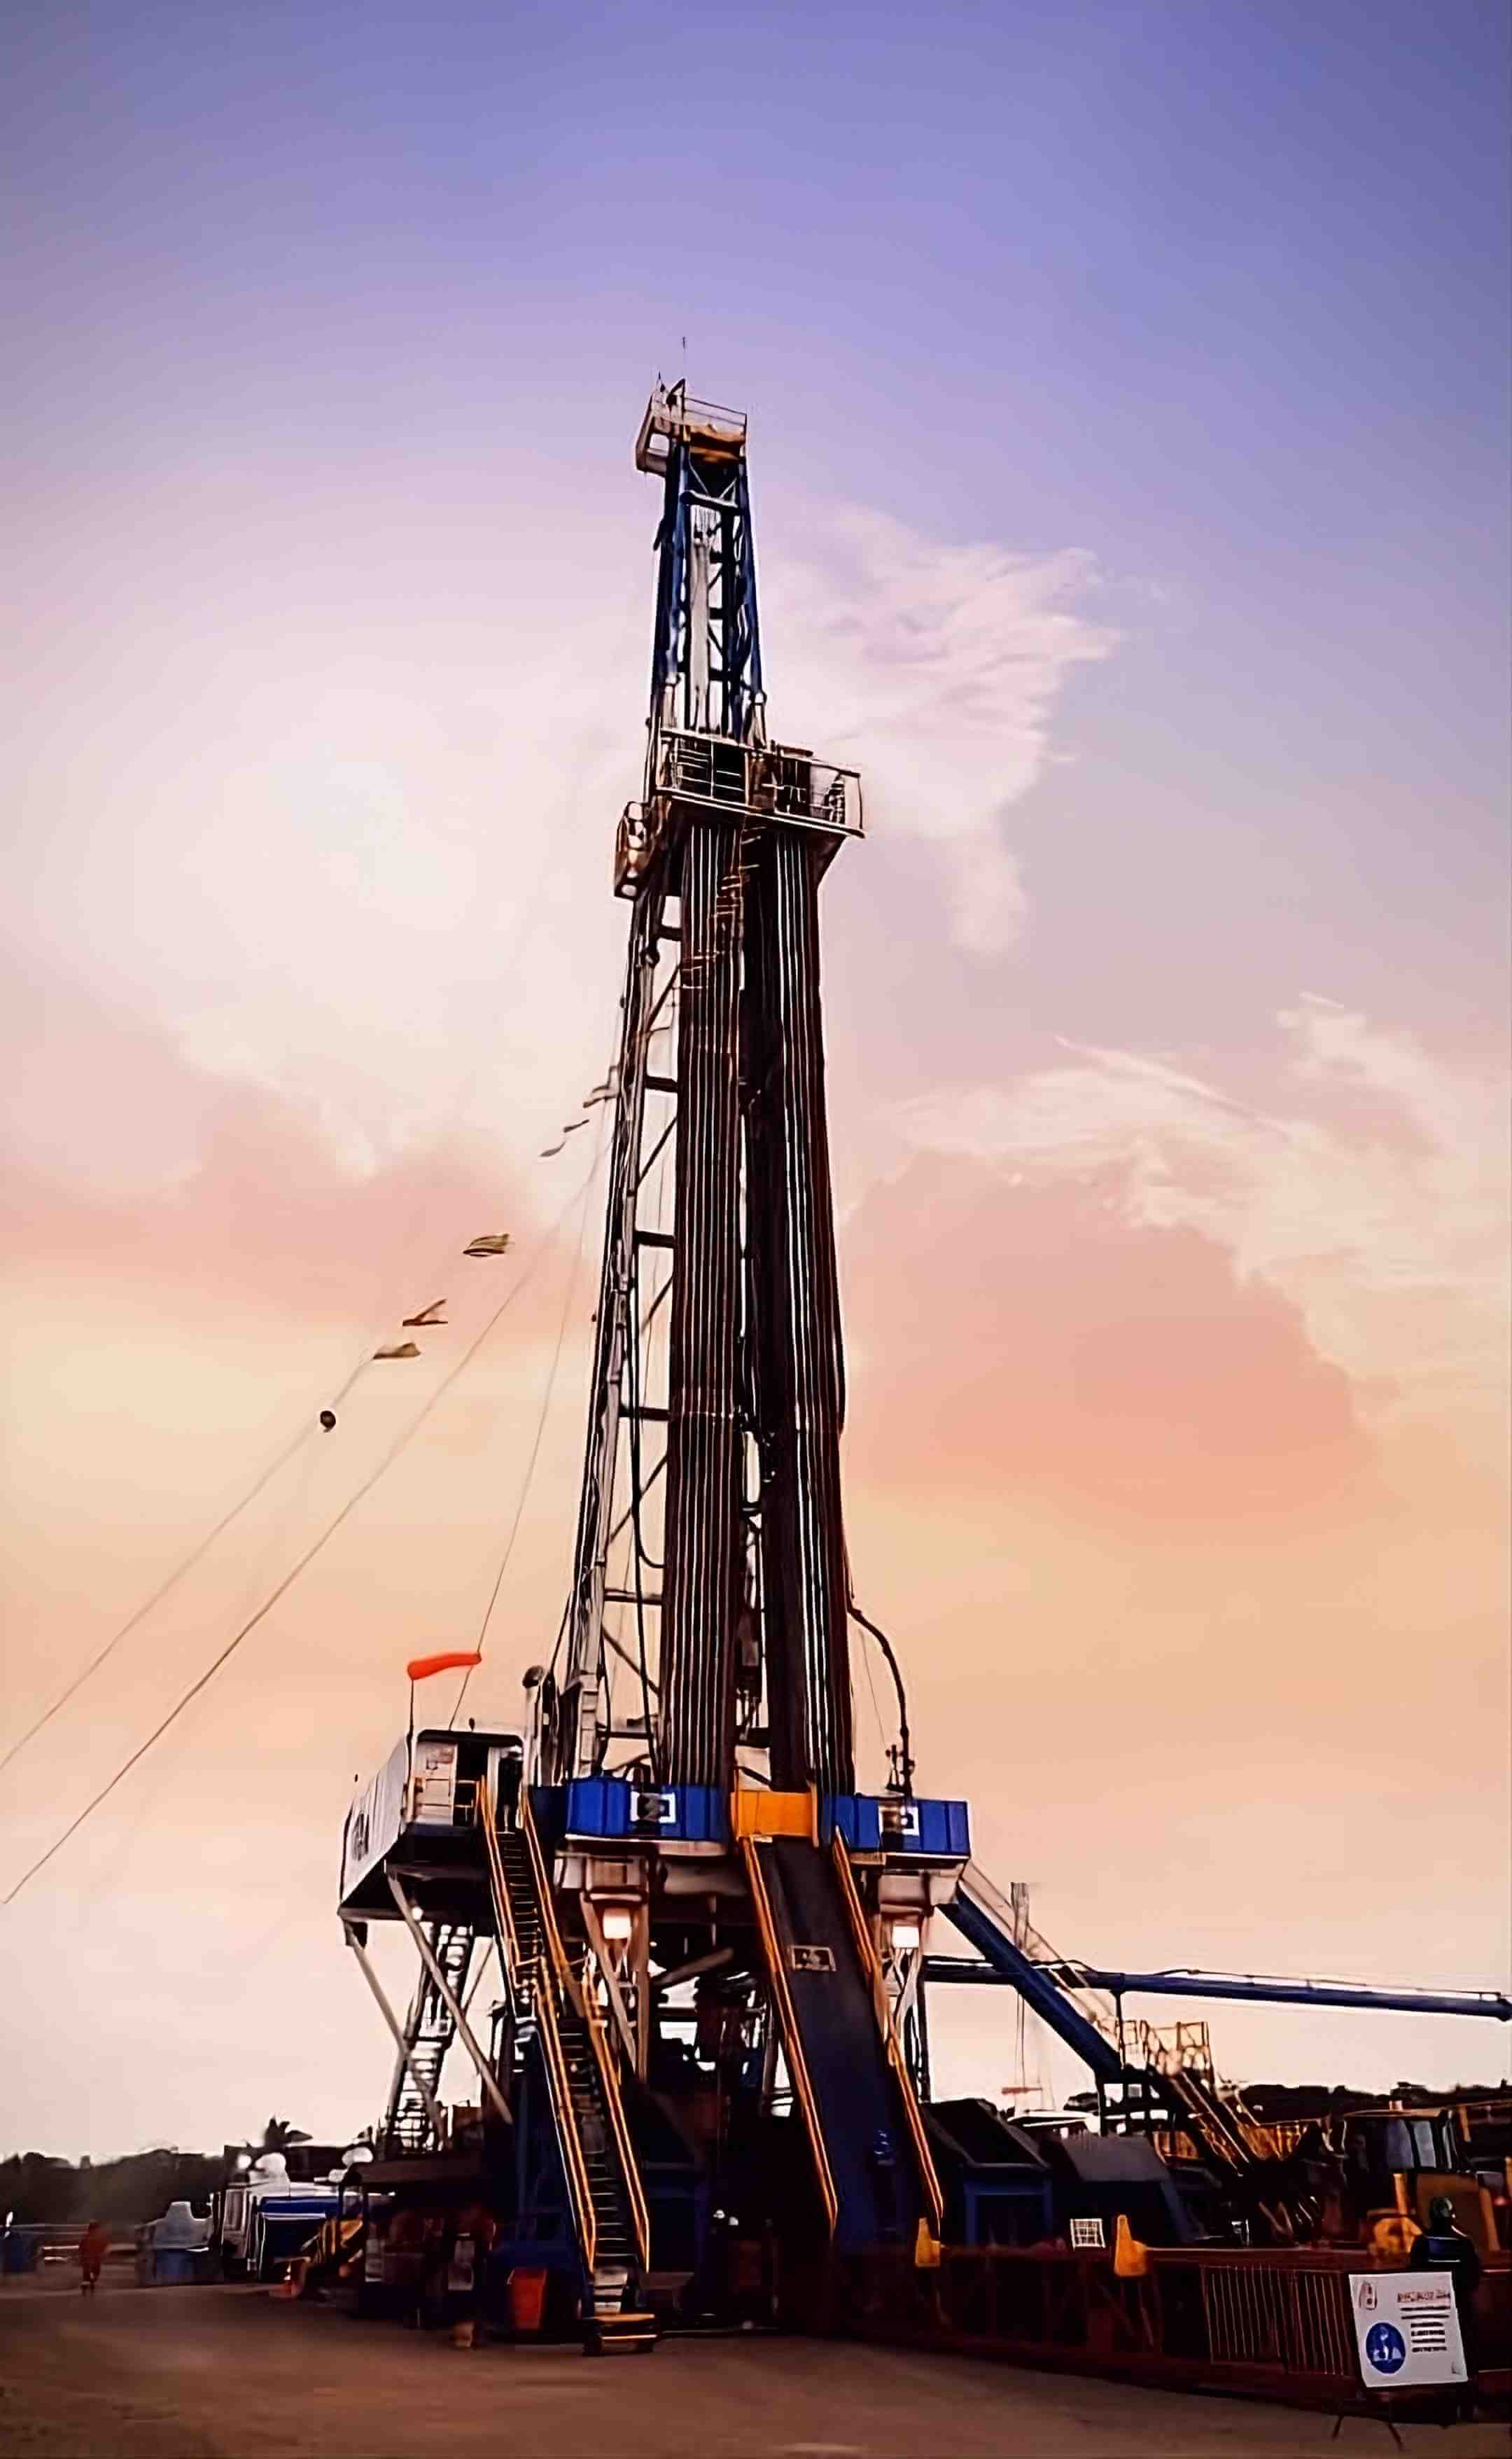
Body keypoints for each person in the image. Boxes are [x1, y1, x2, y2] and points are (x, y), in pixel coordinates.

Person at [1409, 2192, 1482, 2418]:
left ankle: (1443, 2406)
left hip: (1432, 2310)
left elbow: (1413, 2275)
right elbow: (1474, 2277)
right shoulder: (1464, 2243)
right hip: (1461, 2307)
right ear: (1452, 2215)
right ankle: (1467, 2405)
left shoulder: (1422, 2243)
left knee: (1438, 2353)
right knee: (1465, 2353)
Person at [77, 2221, 110, 2295]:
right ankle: (89, 2283)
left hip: (89, 2259)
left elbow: (81, 2248)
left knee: (88, 2274)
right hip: (93, 2259)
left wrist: (82, 2257)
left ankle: (87, 2284)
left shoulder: (86, 2237)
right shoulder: (96, 2237)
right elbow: (104, 2246)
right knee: (93, 2274)